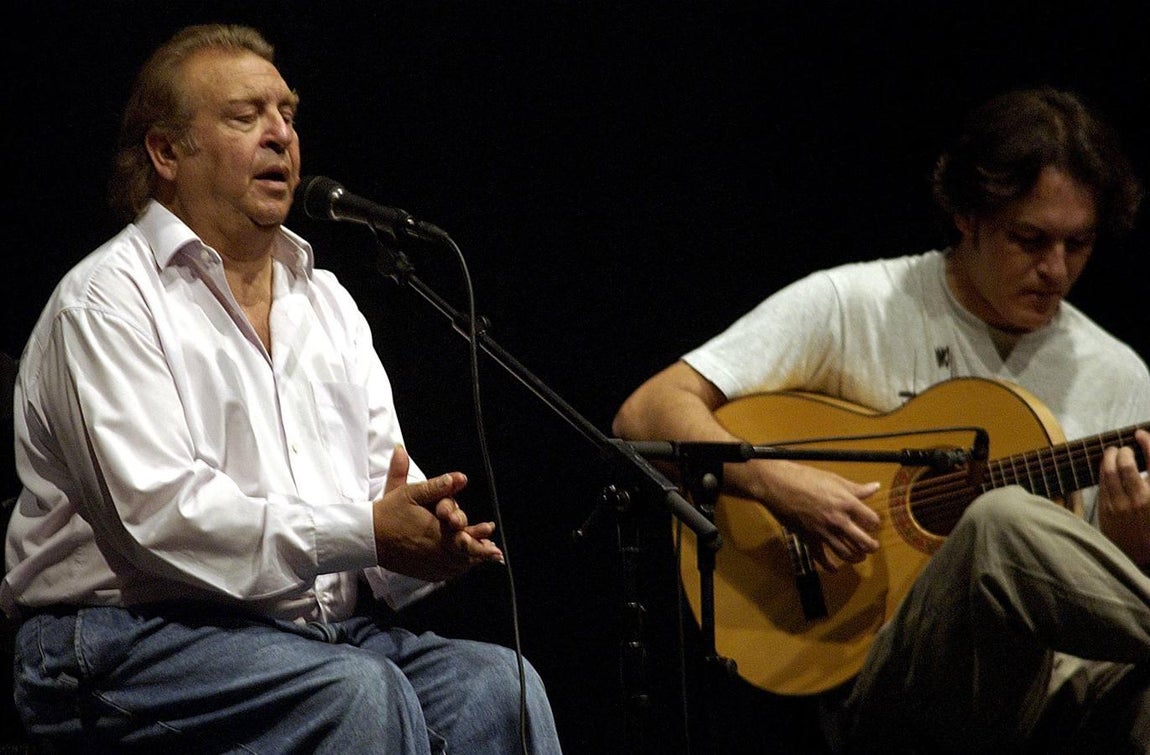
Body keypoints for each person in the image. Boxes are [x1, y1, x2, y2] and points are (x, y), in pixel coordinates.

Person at [2, 24, 561, 754]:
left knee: (502, 688)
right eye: (246, 116)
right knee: (356, 694)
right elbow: (159, 518)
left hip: (306, 637)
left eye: (288, 114)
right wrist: (367, 531)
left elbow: (378, 482)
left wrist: (422, 538)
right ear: (166, 153)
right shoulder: (107, 301)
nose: (280, 135)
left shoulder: (325, 301)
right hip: (121, 638)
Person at [613, 86, 1150, 752]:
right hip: (896, 685)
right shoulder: (857, 307)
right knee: (998, 520)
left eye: (1079, 244)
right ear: (967, 214)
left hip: (1060, 693)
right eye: (1030, 239)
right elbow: (646, 412)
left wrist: (1131, 549)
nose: (1056, 269)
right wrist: (778, 483)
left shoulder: (1120, 376)